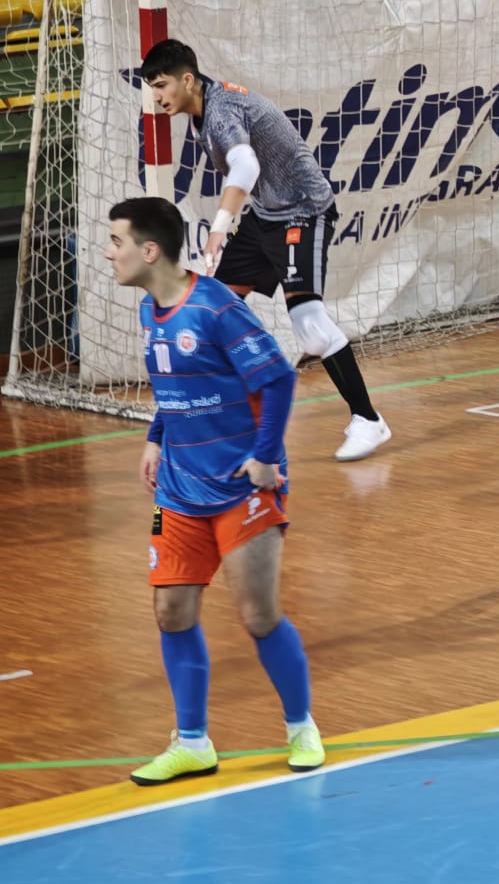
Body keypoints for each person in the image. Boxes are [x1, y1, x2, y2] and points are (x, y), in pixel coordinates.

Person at [105, 196, 323, 785]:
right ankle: (193, 742)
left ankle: (301, 727)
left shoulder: (216, 307)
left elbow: (277, 376)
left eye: (117, 241)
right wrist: (155, 435)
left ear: (151, 251)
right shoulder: (153, 311)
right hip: (178, 485)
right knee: (171, 611)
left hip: (240, 483)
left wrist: (264, 457)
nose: (110, 251)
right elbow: (172, 381)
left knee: (257, 614)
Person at [138, 39, 391, 462]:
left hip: (303, 212)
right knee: (212, 309)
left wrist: (219, 227)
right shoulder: (203, 112)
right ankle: (217, 415)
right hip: (266, 216)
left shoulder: (220, 111)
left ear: (187, 79)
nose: (158, 97)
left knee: (309, 322)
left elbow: (247, 166)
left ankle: (368, 419)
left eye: (162, 85)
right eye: (152, 89)